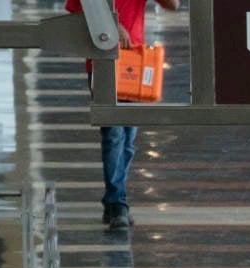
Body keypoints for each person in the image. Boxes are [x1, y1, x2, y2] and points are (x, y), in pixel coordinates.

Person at [68, 0, 176, 232]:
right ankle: (118, 203)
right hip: (103, 61)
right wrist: (109, 25)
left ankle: (113, 200)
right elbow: (77, 13)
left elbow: (172, 4)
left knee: (127, 140)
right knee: (114, 134)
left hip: (135, 61)